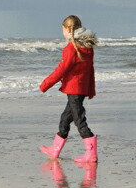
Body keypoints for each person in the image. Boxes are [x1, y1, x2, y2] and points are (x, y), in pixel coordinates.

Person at [38, 15, 99, 163]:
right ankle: (55, 149)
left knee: (79, 121)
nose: (63, 33)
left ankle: (91, 154)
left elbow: (61, 70)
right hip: (81, 89)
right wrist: (90, 89)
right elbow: (90, 71)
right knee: (65, 118)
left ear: (67, 29)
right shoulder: (87, 47)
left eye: (63, 30)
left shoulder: (72, 48)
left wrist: (45, 84)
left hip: (74, 90)